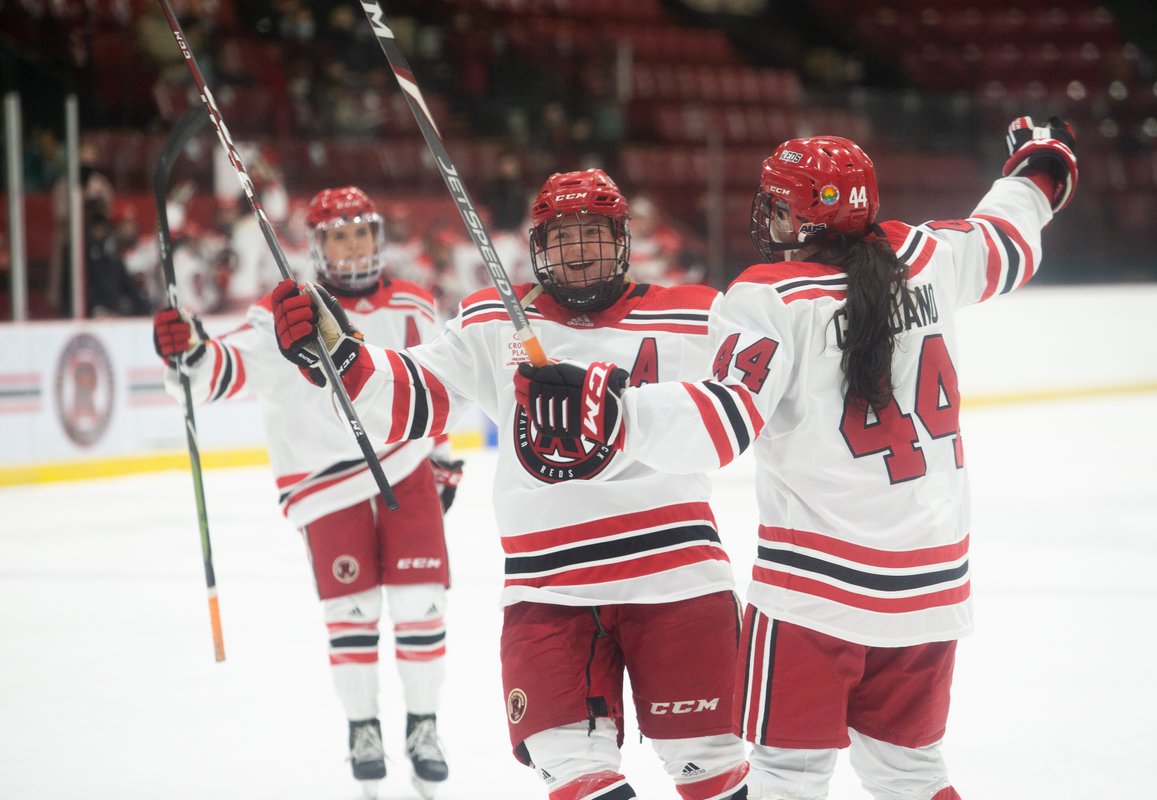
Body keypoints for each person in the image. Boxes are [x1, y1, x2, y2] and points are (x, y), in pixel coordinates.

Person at [512, 119, 1079, 799]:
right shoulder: (929, 254)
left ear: (806, 218)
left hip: (817, 591)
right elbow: (1009, 238)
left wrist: (608, 408)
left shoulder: (772, 297)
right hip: (933, 584)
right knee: (911, 774)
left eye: (779, 206)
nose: (769, 219)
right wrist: (1041, 164)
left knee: (787, 778)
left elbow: (719, 426)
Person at [270, 169, 750, 800]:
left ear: (624, 241)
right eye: (563, 237)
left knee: (709, 771)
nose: (579, 253)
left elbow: (740, 420)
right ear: (537, 246)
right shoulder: (495, 319)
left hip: (678, 580)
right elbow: (411, 402)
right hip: (548, 588)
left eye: (594, 236)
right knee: (574, 774)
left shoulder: (697, 315)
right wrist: (340, 358)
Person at [152, 186, 460, 800]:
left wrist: (445, 461)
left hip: (405, 468)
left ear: (378, 237)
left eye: (361, 232)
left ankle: (424, 726)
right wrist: (189, 350)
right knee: (352, 611)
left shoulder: (416, 304)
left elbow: (439, 382)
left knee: (422, 601)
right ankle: (363, 729)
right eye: (338, 235)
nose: (352, 246)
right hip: (324, 486)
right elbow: (226, 368)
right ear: (317, 246)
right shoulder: (282, 311)